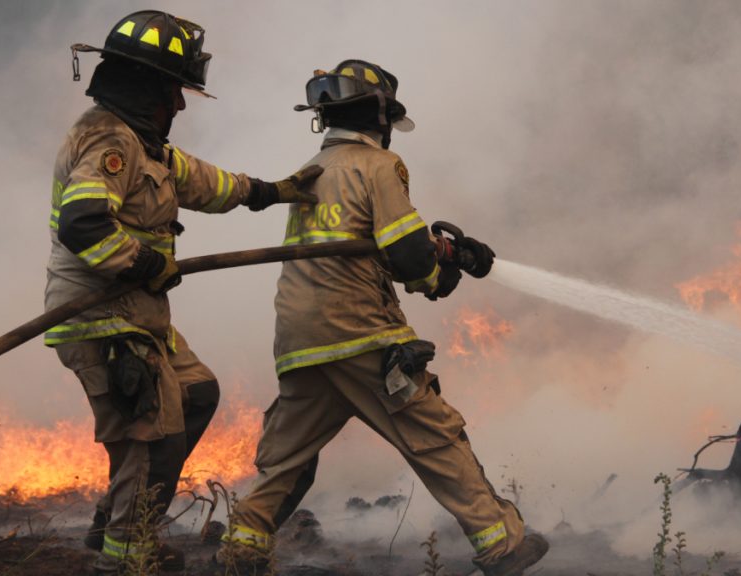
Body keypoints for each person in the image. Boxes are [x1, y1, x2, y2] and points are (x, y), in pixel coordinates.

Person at [216, 59, 548, 576]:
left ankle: (241, 551)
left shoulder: (313, 171)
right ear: (380, 115)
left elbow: (364, 249)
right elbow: (408, 253)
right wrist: (440, 271)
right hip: (359, 332)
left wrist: (440, 263)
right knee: (434, 435)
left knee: (285, 462)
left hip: (301, 341)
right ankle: (501, 542)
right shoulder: (379, 165)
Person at [45, 11, 319, 574]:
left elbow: (205, 183)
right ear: (148, 87)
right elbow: (83, 224)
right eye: (175, 91)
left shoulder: (146, 146)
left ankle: (115, 519)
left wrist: (269, 192)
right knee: (149, 438)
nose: (181, 105)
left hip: (137, 314)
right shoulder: (109, 141)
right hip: (101, 318)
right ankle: (126, 559)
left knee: (196, 393)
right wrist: (146, 263)